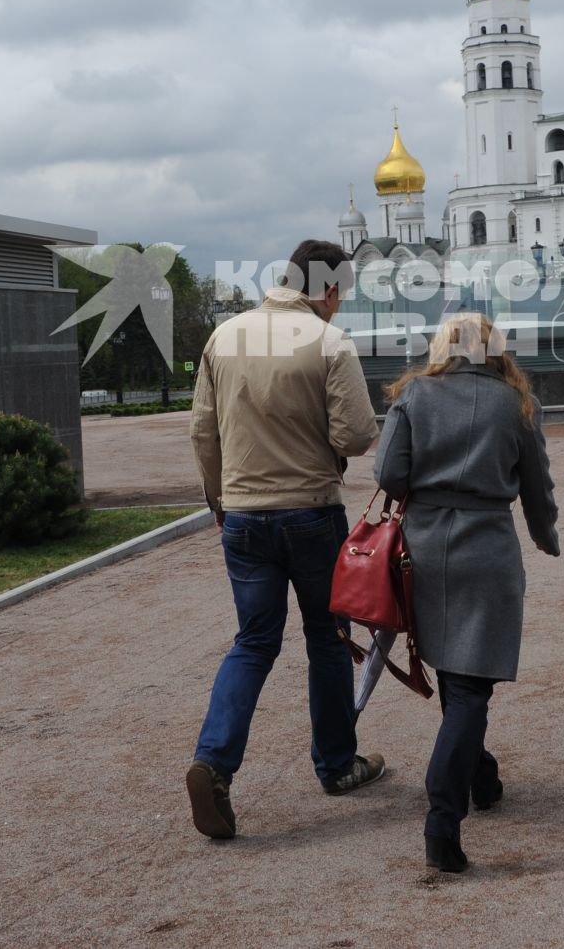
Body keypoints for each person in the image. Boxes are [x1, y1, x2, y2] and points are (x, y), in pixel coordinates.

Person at [185, 240, 386, 840]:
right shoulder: (328, 342)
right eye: (340, 295)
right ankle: (335, 764)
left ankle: (213, 763)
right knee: (328, 638)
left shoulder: (225, 337)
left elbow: (202, 432)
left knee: (252, 641)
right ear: (327, 289)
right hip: (311, 512)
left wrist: (221, 501)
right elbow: (355, 435)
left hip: (243, 516)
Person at [374, 313, 559, 874]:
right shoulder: (515, 403)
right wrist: (545, 534)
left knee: (459, 677)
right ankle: (441, 817)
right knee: (471, 684)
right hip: (488, 549)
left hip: (423, 550)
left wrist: (425, 491)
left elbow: (387, 472)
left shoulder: (414, 395)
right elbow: (537, 485)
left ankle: (480, 774)